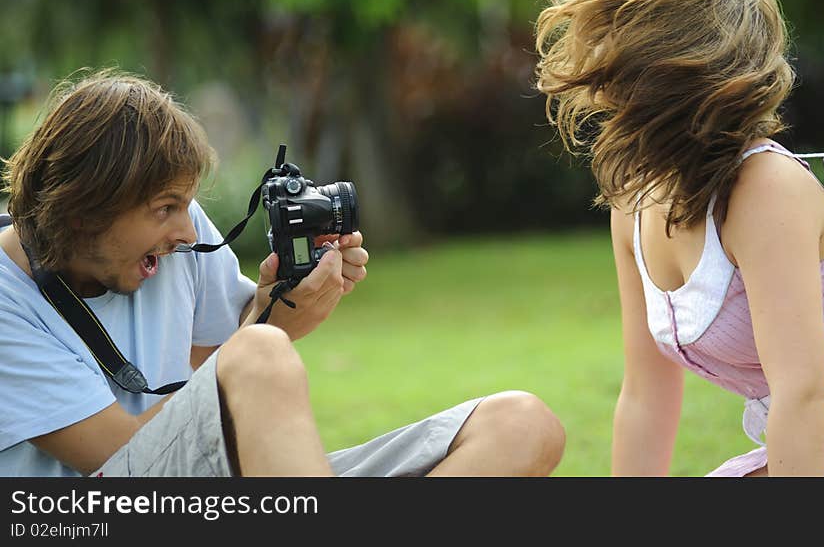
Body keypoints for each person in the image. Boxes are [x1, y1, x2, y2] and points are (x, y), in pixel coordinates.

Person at [0, 69, 566, 477]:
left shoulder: (175, 239)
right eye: (164, 209)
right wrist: (265, 339)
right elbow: (116, 456)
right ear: (84, 207)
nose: (188, 233)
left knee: (519, 425)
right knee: (259, 353)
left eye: (184, 205)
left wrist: (279, 309)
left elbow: (217, 373)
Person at [534, 0, 824, 476]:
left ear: (669, 61)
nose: (592, 39)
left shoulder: (765, 190)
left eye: (616, 22)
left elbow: (801, 395)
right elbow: (647, 397)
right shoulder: (634, 198)